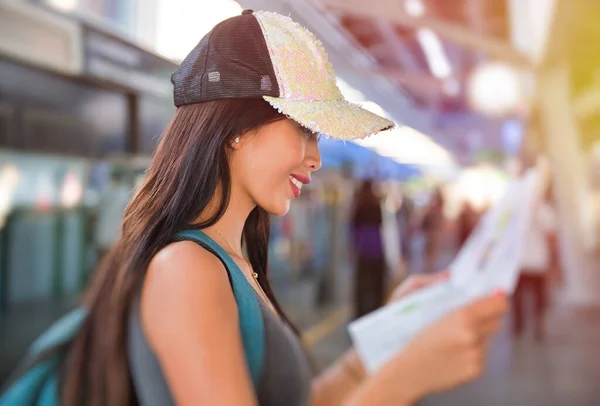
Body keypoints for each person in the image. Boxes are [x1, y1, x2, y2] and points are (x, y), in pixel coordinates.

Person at [60, 10, 508, 406]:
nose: (316, 158)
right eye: (305, 128)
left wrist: (389, 341)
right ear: (236, 126)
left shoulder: (231, 262)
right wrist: (406, 378)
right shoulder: (187, 269)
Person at [512, 182, 560, 341]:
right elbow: (552, 238)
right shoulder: (544, 210)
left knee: (519, 297)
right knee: (539, 298)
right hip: (538, 262)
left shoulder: (517, 211)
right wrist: (554, 261)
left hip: (521, 262)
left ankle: (518, 326)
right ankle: (538, 326)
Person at [351, 180, 386, 318]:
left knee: (362, 285)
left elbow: (353, 229)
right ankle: (376, 312)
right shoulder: (377, 205)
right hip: (377, 249)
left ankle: (359, 314)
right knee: (377, 285)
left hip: (363, 250)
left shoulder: (358, 206)